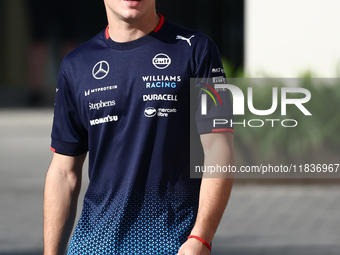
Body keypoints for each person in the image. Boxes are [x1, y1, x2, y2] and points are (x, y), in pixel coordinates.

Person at [44, 0, 235, 254]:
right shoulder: (75, 66)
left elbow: (219, 148)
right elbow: (63, 172)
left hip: (170, 244)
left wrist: (201, 238)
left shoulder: (198, 50)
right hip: (92, 246)